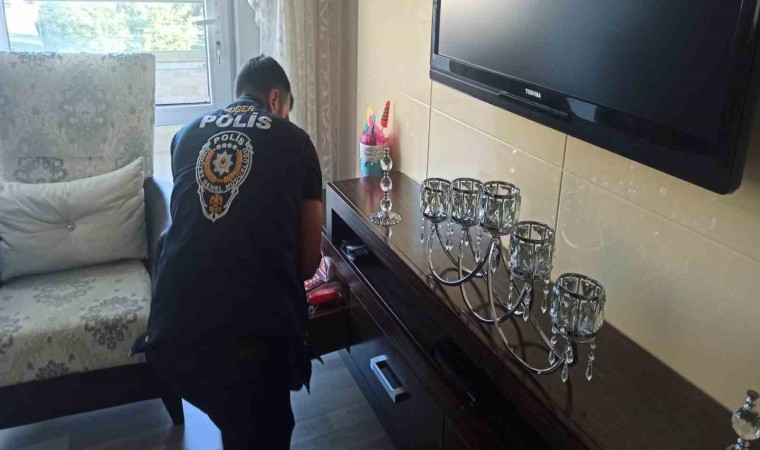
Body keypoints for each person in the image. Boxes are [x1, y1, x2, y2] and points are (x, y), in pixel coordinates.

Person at [131, 55, 323, 449]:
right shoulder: (297, 142)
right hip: (248, 345)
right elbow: (307, 263)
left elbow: (199, 226)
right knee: (259, 428)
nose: (286, 117)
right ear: (275, 99)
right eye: (287, 109)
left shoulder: (185, 135)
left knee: (235, 416)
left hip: (170, 334)